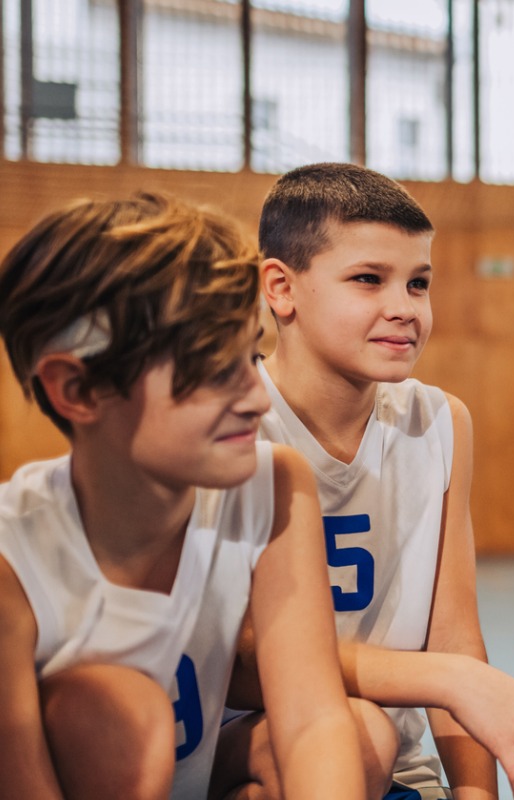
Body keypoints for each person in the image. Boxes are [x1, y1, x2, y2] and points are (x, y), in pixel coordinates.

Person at [224, 163, 514, 800]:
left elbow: (452, 633)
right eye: (368, 280)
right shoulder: (231, 422)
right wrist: (446, 680)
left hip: (392, 765)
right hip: (249, 746)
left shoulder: (440, 421)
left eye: (419, 283)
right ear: (281, 288)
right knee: (354, 735)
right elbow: (238, 662)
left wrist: (473, 793)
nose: (403, 308)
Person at [0, 192, 372, 800]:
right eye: (213, 369)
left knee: (359, 737)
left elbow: (311, 721)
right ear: (78, 389)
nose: (257, 397)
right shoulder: (12, 561)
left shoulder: (272, 484)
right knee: (116, 716)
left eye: (253, 356)